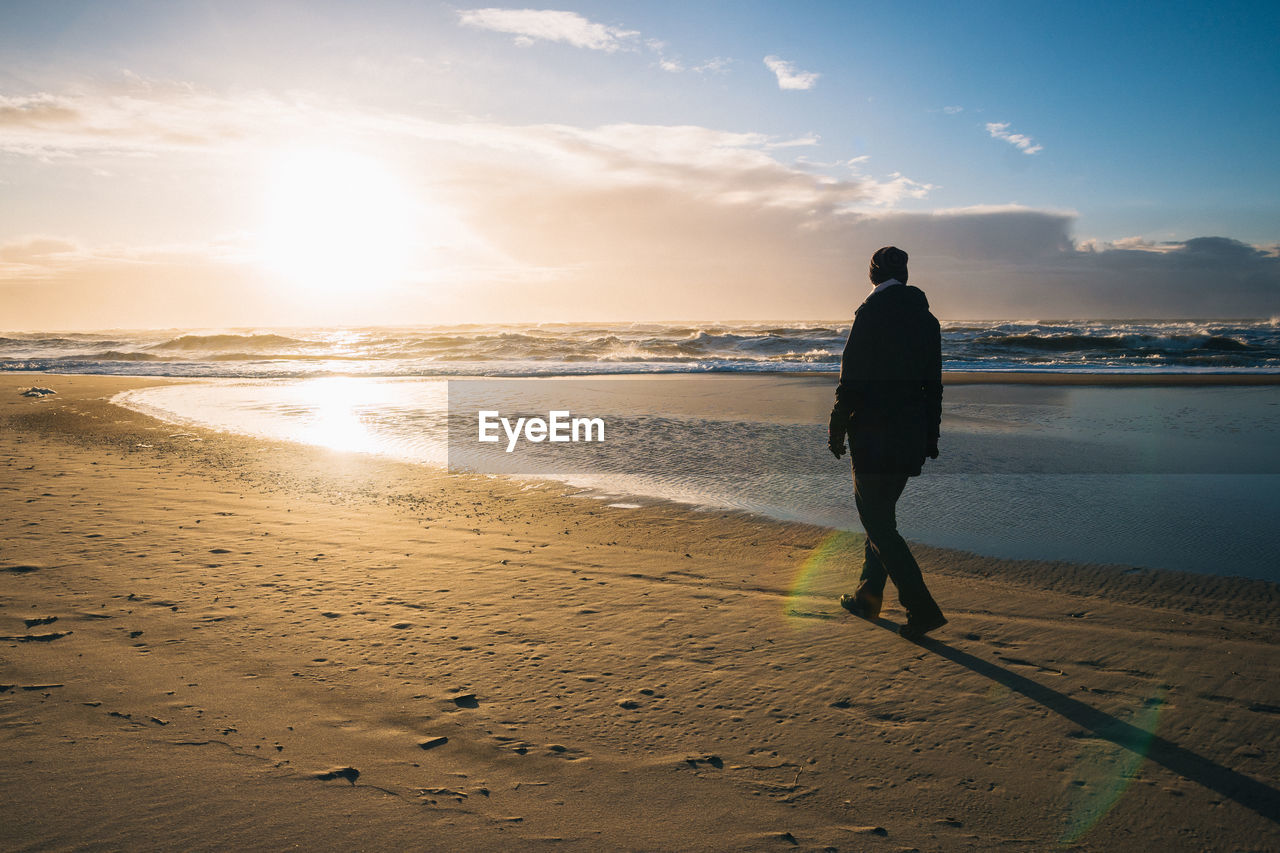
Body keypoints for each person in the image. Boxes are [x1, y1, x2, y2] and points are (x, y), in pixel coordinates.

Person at [827, 246, 947, 641]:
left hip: (874, 435)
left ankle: (922, 608)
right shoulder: (927, 319)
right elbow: (934, 386)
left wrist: (837, 427)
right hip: (911, 434)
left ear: (872, 275)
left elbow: (852, 379)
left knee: (877, 522)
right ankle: (868, 596)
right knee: (882, 518)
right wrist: (931, 436)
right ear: (906, 275)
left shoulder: (870, 313)